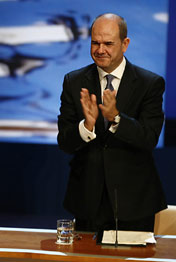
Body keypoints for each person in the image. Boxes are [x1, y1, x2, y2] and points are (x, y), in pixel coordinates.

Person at [57, 13, 167, 233]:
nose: (100, 49)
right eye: (95, 42)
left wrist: (116, 118)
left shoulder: (150, 84)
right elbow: (65, 143)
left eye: (108, 43)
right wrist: (86, 126)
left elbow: (149, 138)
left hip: (135, 202)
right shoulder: (74, 81)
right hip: (88, 200)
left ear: (125, 44)